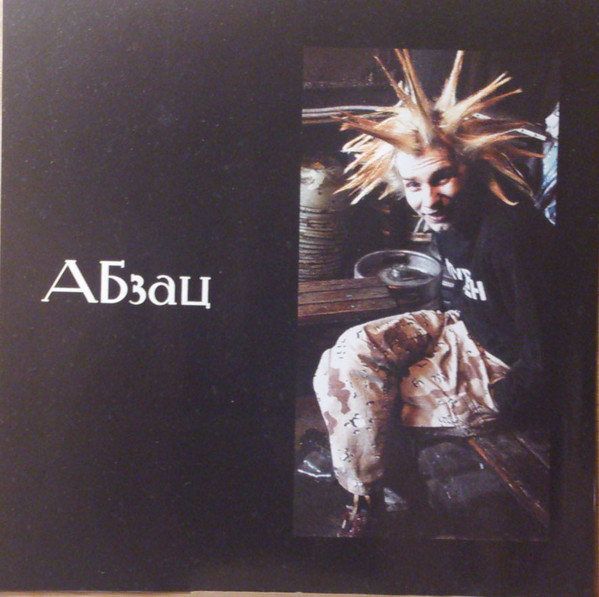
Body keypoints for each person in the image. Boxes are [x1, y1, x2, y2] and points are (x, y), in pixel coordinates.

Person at [313, 50, 555, 535]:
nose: (429, 200)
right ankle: (367, 490)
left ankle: (377, 504)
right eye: (414, 185)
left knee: (382, 410)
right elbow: (462, 294)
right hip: (462, 331)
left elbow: (548, 352)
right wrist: (432, 337)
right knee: (343, 357)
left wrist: (505, 406)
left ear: (469, 168)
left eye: (442, 177)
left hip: (503, 365)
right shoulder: (444, 220)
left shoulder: (510, 237)